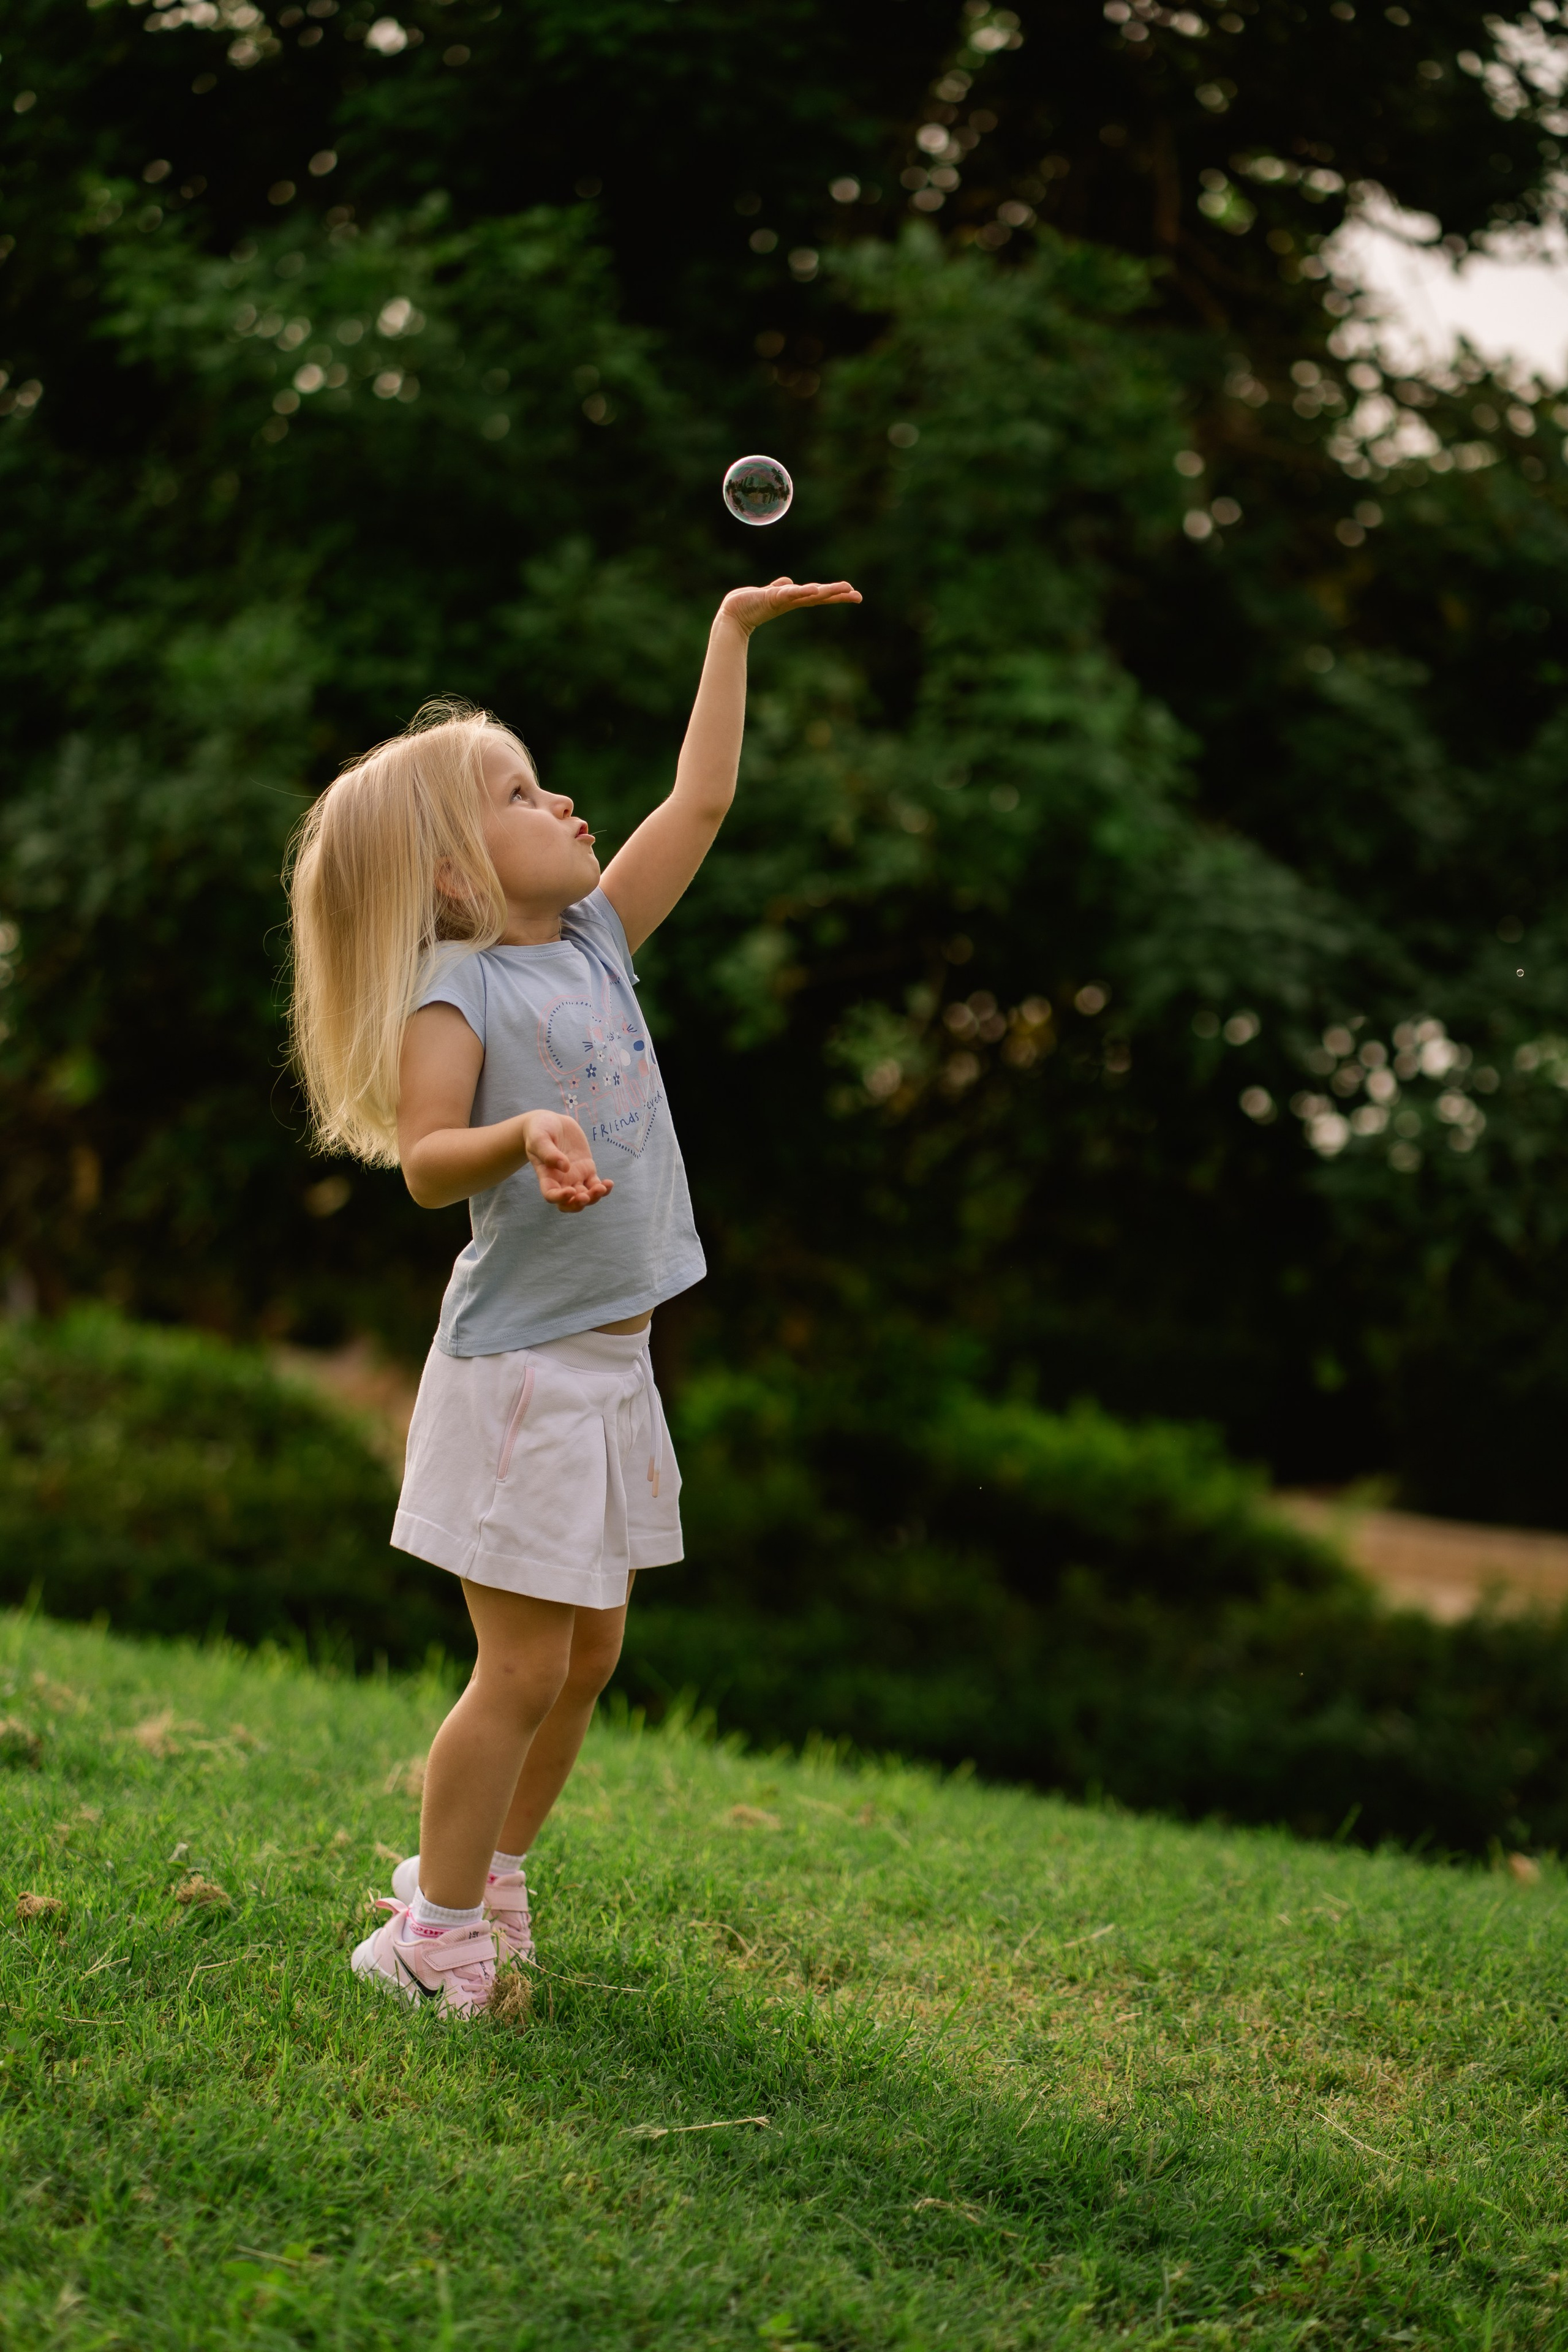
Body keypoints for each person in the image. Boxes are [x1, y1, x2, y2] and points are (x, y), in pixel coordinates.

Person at [287, 571, 861, 2016]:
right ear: (451, 877)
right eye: (522, 794)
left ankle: (481, 1882)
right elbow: (424, 1163)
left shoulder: (596, 940)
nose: (566, 807)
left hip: (611, 1364)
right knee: (521, 1667)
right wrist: (520, 1135)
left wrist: (725, 636)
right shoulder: (455, 997)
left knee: (587, 1653)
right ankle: (426, 1943)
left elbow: (701, 805)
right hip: (524, 1373)